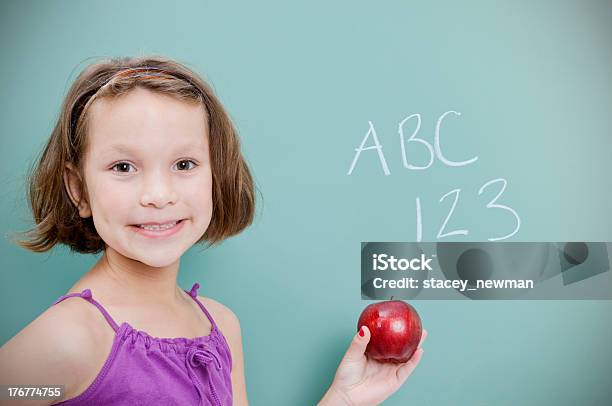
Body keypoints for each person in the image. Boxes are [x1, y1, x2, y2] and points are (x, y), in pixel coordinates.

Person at [0, 56, 426, 405]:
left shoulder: (220, 327)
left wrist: (346, 400)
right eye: (123, 167)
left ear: (214, 177)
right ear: (80, 191)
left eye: (184, 165)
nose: (158, 194)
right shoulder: (68, 340)